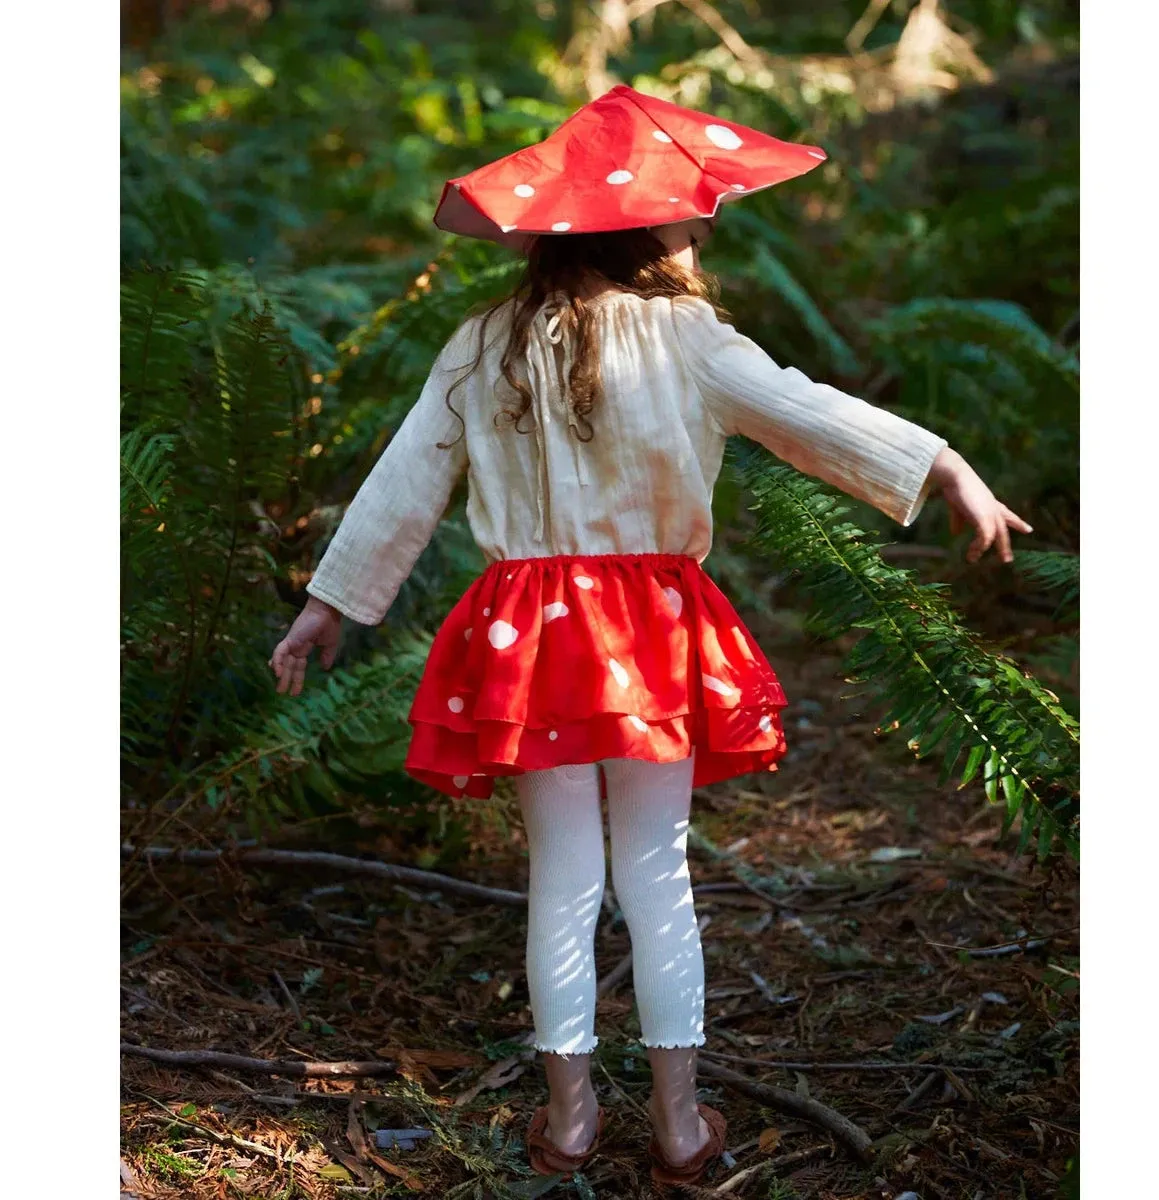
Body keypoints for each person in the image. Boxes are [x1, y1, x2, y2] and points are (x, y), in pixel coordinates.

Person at [270, 86, 1031, 1186]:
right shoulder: (691, 339)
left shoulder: (483, 345)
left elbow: (404, 482)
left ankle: (571, 1119)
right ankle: (679, 1125)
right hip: (649, 634)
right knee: (658, 871)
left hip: (528, 637)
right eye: (684, 207)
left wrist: (331, 602)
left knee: (564, 875)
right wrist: (943, 464)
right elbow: (812, 411)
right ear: (640, 226)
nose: (700, 221)